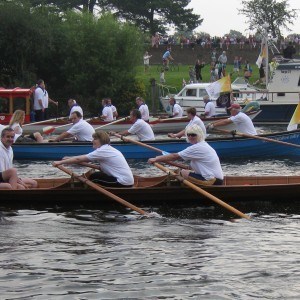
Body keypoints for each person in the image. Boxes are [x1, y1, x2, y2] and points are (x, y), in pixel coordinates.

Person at [149, 124, 223, 186]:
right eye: (188, 135)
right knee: (179, 171)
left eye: (193, 135)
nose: (190, 137)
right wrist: (168, 162)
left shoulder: (197, 147)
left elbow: (175, 156)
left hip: (212, 181)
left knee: (181, 173)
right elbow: (189, 167)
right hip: (216, 180)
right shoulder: (203, 145)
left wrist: (156, 159)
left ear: (199, 135)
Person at [53, 131, 134, 187]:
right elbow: (100, 168)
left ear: (101, 140)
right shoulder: (108, 149)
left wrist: (59, 163)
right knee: (95, 175)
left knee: (93, 177)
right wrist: (71, 159)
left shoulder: (102, 150)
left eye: (95, 139)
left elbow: (79, 159)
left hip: (122, 183)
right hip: (127, 181)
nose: (92, 141)